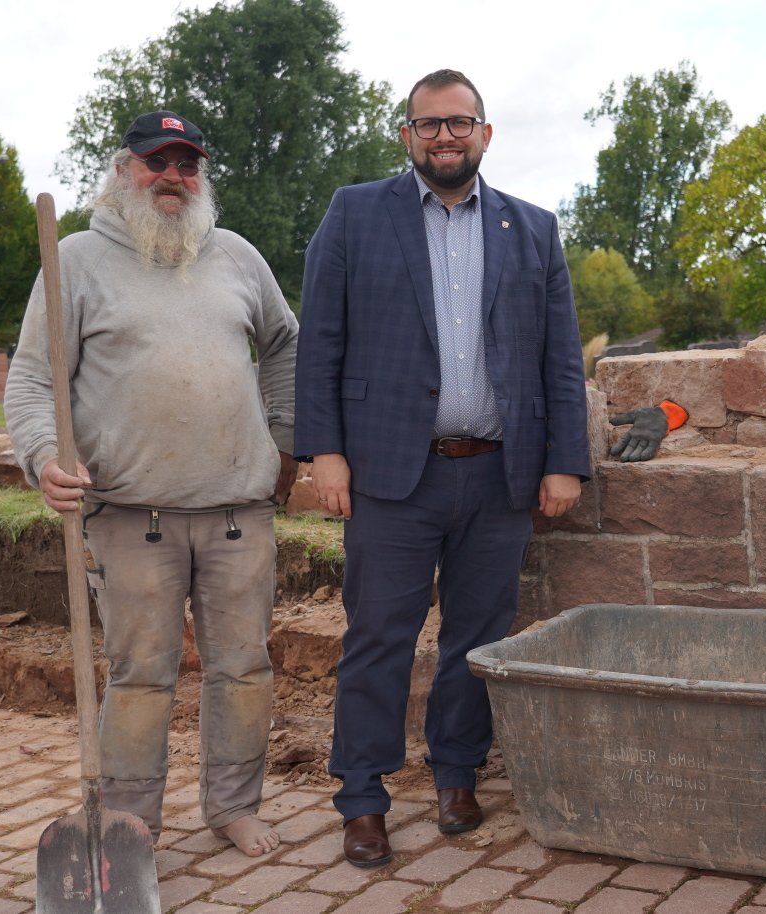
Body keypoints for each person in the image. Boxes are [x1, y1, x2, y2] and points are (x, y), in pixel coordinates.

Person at [295, 69, 591, 869]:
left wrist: (565, 462)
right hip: (392, 474)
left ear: (485, 134)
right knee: (377, 637)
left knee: (478, 636)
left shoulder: (532, 229)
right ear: (408, 136)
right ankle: (362, 797)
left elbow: (561, 359)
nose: (445, 137)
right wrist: (324, 450)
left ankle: (457, 774)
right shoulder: (356, 215)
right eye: (428, 125)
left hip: (497, 476)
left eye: (459, 123)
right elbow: (319, 340)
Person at [5, 110, 298, 858]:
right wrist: (45, 455)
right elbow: (33, 381)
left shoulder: (234, 256)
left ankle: (234, 807)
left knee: (244, 668)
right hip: (131, 517)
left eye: (187, 165)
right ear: (122, 169)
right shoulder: (74, 259)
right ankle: (131, 827)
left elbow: (287, 345)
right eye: (156, 162)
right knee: (140, 679)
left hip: (240, 512)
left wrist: (287, 442)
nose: (172, 177)